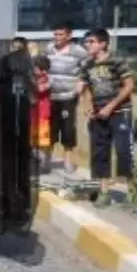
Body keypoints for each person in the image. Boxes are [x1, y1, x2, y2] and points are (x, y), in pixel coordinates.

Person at [77, 28, 135, 207]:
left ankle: (132, 192)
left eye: (92, 42)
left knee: (124, 152)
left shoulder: (117, 61)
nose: (88, 45)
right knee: (99, 155)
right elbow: (84, 88)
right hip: (99, 115)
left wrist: (110, 106)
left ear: (103, 44)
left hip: (120, 112)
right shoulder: (87, 65)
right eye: (86, 42)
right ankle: (103, 192)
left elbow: (129, 86)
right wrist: (87, 106)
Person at [45, 22, 88, 174]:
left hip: (69, 96)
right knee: (50, 128)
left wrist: (81, 84)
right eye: (55, 34)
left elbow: (87, 69)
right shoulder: (49, 48)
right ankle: (47, 158)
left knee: (68, 129)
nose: (57, 37)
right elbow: (42, 68)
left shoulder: (78, 51)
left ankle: (68, 160)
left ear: (69, 35)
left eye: (60, 34)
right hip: (50, 96)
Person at [32, 55, 52, 163]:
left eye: (35, 67)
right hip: (33, 113)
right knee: (32, 137)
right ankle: (35, 159)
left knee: (43, 139)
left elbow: (40, 89)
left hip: (43, 113)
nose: (34, 69)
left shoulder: (47, 78)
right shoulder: (34, 77)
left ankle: (44, 161)